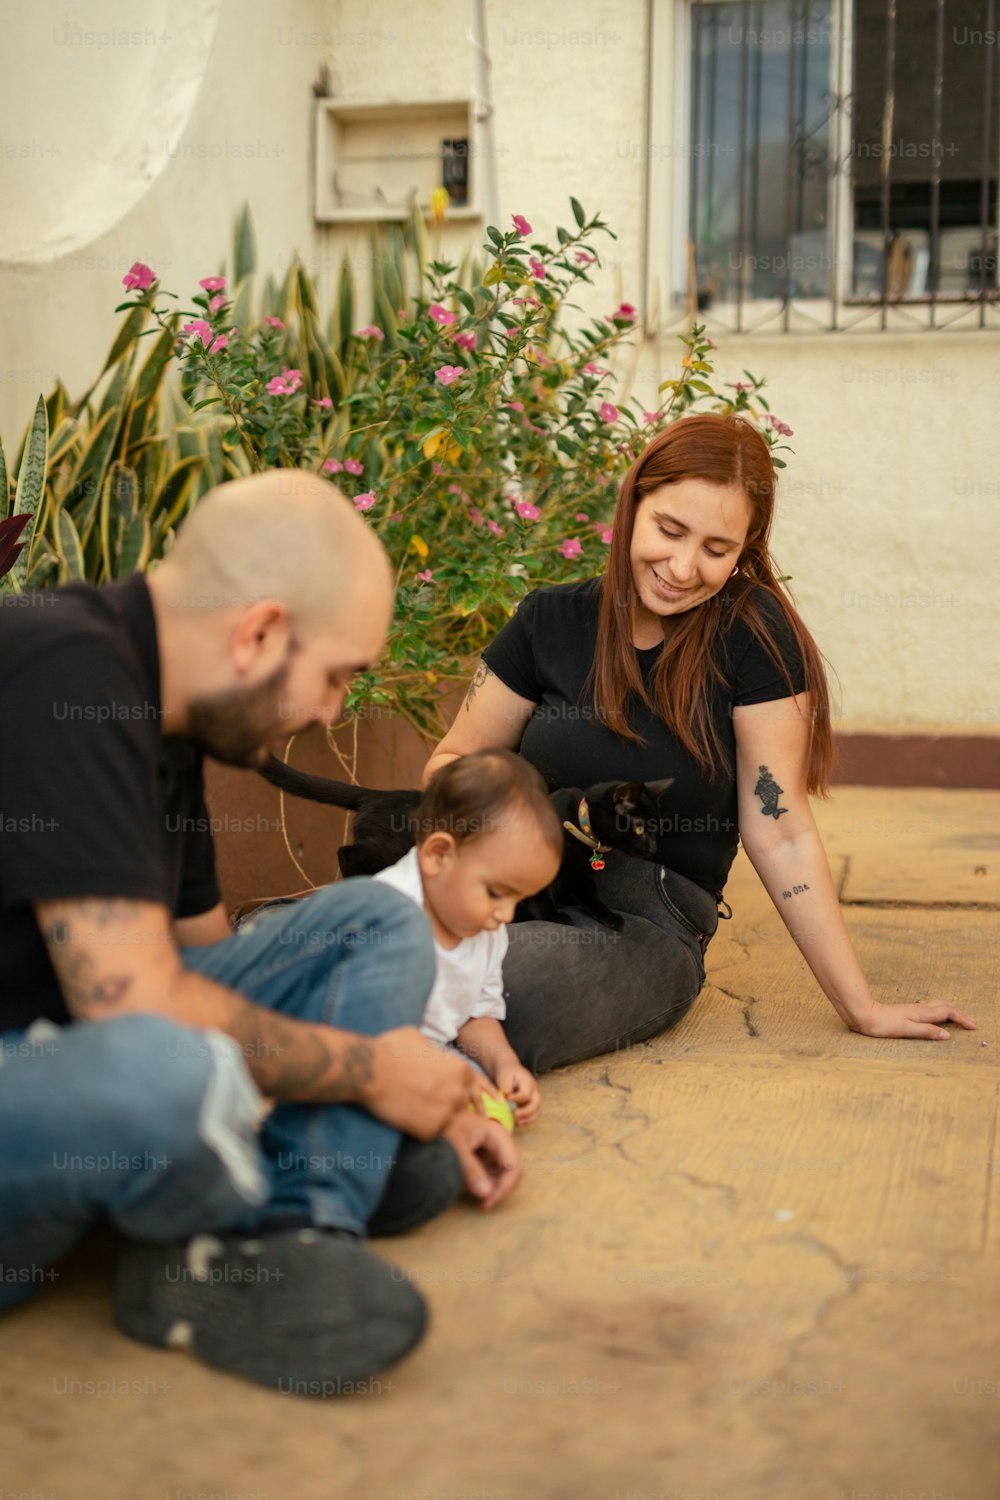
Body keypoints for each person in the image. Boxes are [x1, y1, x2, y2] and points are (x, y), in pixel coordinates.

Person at [0, 470, 519, 1397]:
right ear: (260, 632)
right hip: (60, 1084)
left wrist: (426, 1072)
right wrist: (375, 1074)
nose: (331, 711)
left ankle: (290, 1237)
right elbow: (142, 1006)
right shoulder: (61, 670)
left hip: (74, 1063)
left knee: (377, 926)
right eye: (336, 677)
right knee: (166, 1072)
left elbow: (208, 972)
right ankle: (274, 1182)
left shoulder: (175, 718)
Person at [421, 413, 977, 1070]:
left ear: (745, 549)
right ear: (633, 504)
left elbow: (781, 828)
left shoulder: (754, 637)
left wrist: (861, 1005)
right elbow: (451, 763)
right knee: (349, 944)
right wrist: (503, 853)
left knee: (494, 991)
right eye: (669, 530)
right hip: (512, 886)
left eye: (716, 549)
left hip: (647, 919)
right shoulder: (549, 619)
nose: (682, 568)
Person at [374, 749, 563, 1128]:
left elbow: (475, 1012)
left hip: (432, 1052)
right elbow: (366, 1032)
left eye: (519, 900)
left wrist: (503, 1064)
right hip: (365, 1056)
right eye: (496, 893)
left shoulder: (485, 930)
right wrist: (447, 1075)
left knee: (492, 1109)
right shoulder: (385, 915)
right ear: (438, 854)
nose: (506, 916)